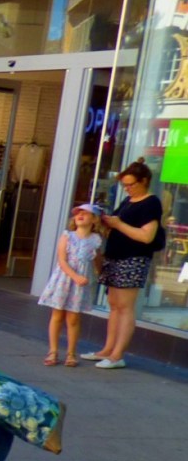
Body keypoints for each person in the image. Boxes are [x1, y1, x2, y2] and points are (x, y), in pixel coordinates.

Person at [82, 158, 163, 369]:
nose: (128, 189)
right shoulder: (128, 201)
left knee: (125, 307)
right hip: (115, 255)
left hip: (133, 258)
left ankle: (117, 354)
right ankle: (107, 349)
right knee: (114, 305)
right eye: (125, 185)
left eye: (131, 185)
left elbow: (147, 236)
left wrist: (119, 224)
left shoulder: (151, 203)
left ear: (144, 181)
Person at [38, 203, 103, 367]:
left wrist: (99, 273)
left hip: (80, 283)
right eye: (78, 213)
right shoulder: (67, 236)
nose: (80, 215)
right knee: (57, 315)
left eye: (85, 213)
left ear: (94, 220)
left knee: (73, 318)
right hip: (64, 279)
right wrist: (75, 276)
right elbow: (62, 260)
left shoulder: (95, 240)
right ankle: (53, 350)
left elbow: (97, 260)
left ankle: (71, 352)